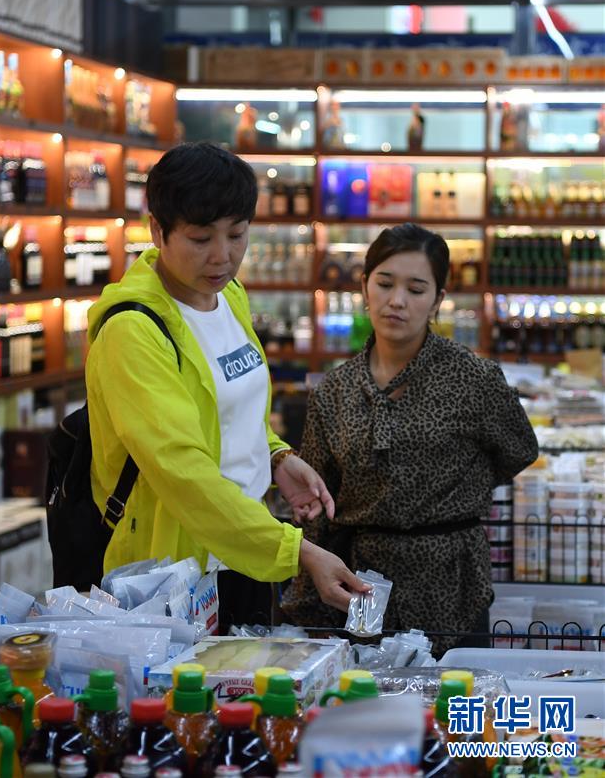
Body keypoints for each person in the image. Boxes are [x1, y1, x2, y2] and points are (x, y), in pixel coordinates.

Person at [85, 141, 368, 630]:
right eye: (200, 239)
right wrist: (296, 551)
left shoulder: (229, 295)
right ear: (157, 230)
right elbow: (183, 471)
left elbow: (229, 410)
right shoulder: (133, 331)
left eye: (237, 235)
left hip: (245, 552)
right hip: (172, 572)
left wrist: (275, 456)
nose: (223, 256)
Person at [281, 223, 538, 653]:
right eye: (385, 284)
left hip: (451, 578)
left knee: (456, 691)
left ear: (437, 299)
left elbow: (519, 450)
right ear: (365, 286)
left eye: (416, 289)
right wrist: (306, 599)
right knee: (365, 688)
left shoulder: (473, 378)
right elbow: (318, 500)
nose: (397, 300)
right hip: (362, 579)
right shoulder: (335, 390)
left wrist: (450, 492)